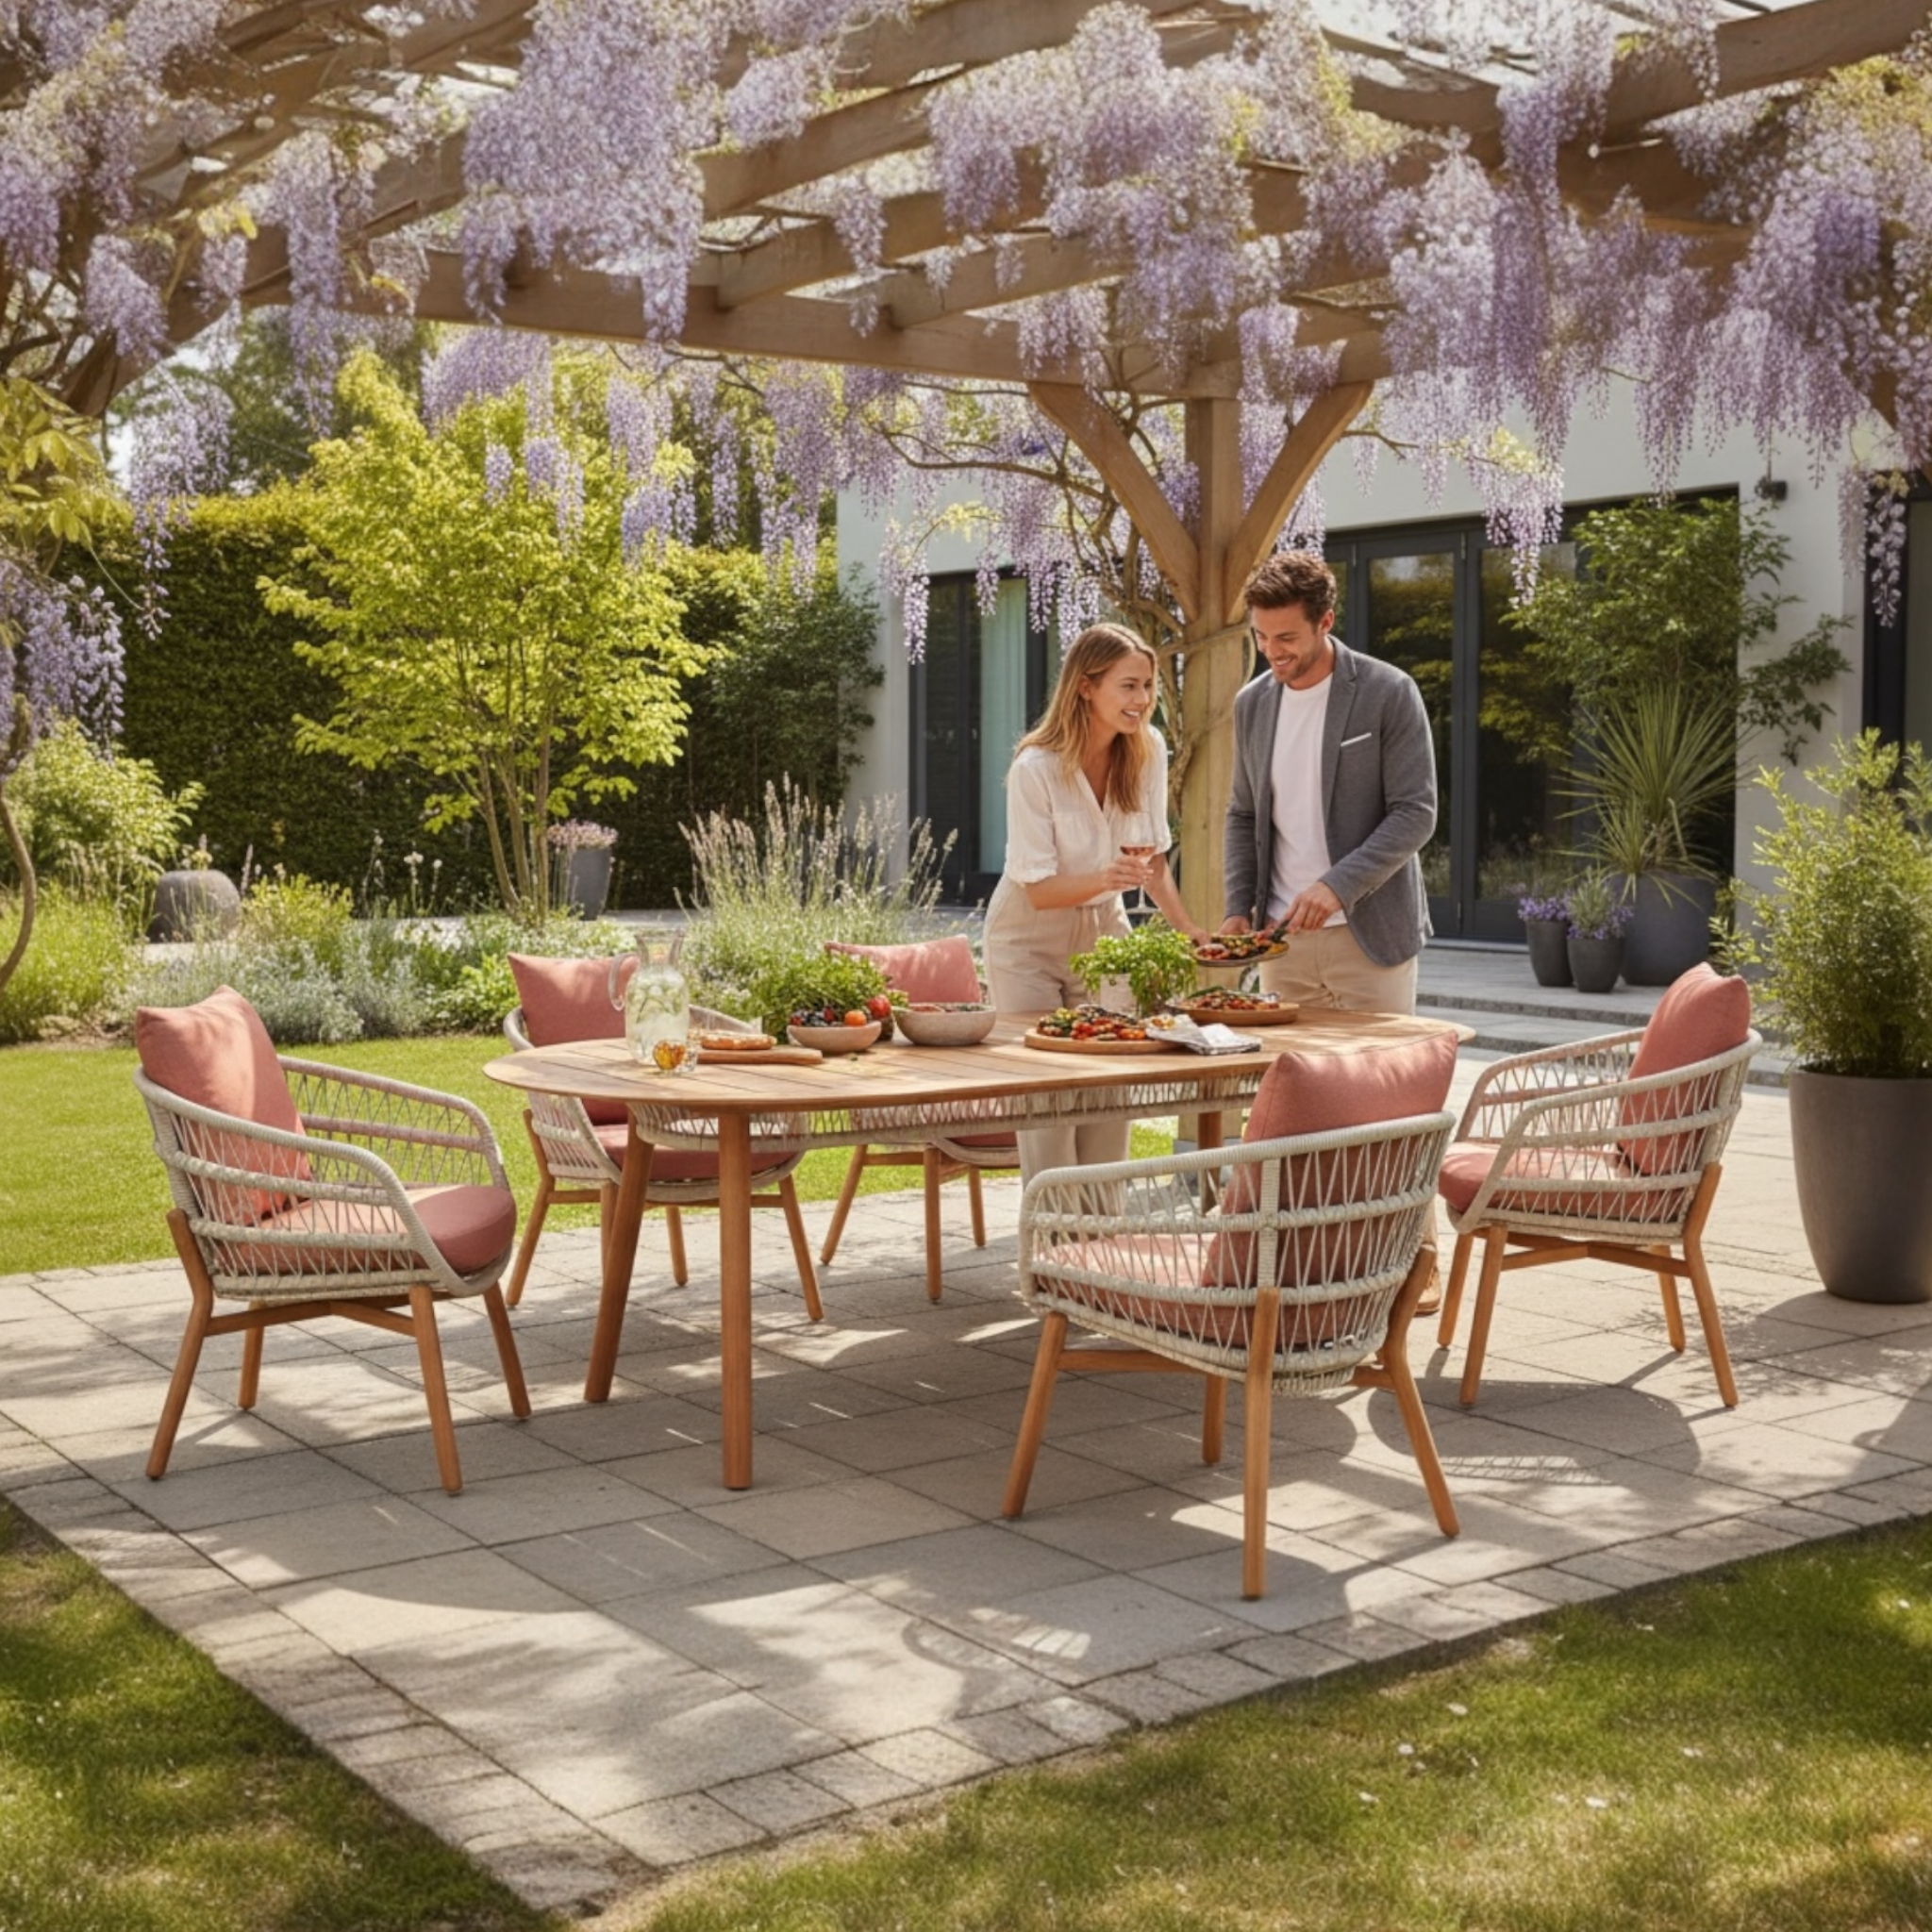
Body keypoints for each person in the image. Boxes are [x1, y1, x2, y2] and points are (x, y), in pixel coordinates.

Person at [984, 622, 1210, 1180]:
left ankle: (1101, 1248)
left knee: (1112, 1086)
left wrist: (1187, 929)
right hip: (1025, 941)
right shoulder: (1035, 769)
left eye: (1149, 687)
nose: (1143, 701)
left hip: (1104, 933)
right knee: (1048, 1098)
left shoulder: (1148, 749)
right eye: (1128, 687)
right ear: (1086, 686)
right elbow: (1038, 891)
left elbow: (1151, 857)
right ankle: (1051, 1253)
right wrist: (1109, 876)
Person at [1222, 551, 1437, 1013]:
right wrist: (1237, 908)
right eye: (1260, 636)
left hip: (1369, 938)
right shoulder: (1250, 705)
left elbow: (1416, 813)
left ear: (1325, 621)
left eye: (1286, 637)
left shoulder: (1390, 692)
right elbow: (1243, 813)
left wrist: (1336, 887)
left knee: (1377, 1083)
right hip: (1280, 942)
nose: (1272, 650)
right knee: (1293, 1082)